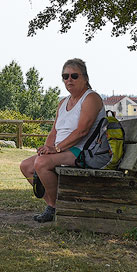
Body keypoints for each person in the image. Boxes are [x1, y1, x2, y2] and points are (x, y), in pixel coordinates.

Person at [19, 58, 105, 223]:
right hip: (63, 150)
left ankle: (54, 208)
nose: (69, 80)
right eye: (65, 76)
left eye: (74, 76)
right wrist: (47, 147)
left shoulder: (91, 98)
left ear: (85, 78)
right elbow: (54, 131)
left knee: (41, 164)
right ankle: (56, 206)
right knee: (26, 166)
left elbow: (82, 131)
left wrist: (56, 149)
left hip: (83, 151)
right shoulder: (63, 102)